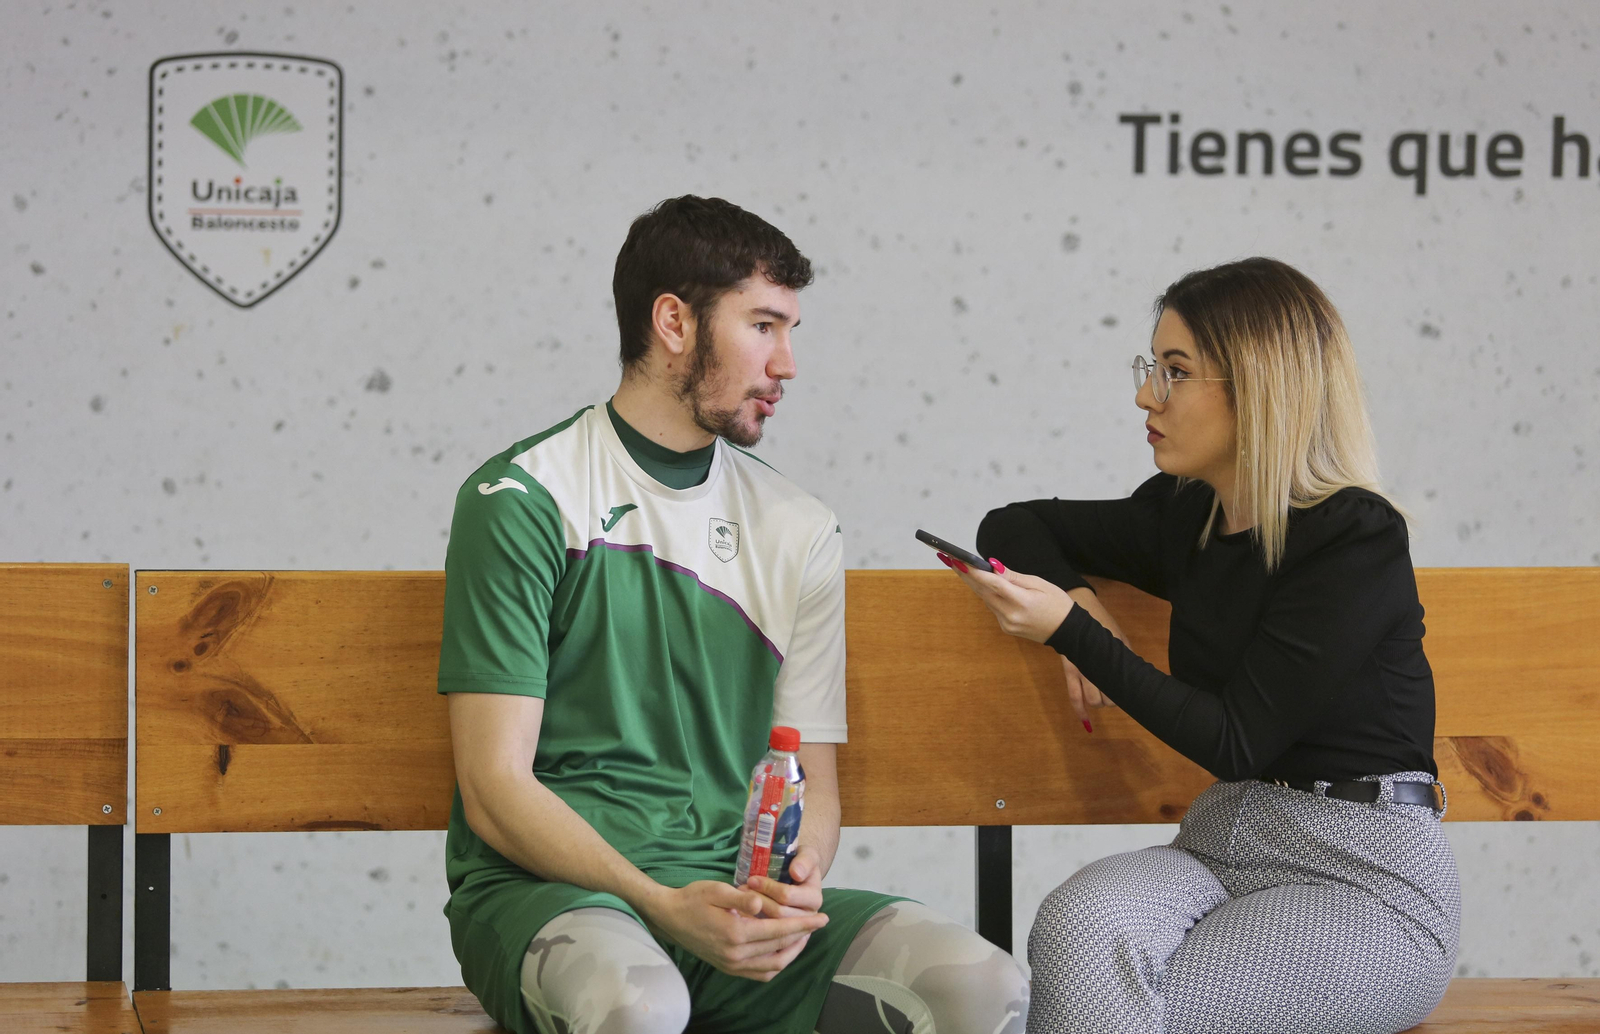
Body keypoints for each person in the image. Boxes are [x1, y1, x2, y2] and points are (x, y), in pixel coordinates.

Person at [438, 195, 1028, 1034]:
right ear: (674, 321)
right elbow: (494, 790)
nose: (786, 362)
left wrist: (796, 881)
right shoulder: (523, 499)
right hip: (550, 899)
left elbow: (811, 786)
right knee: (638, 1007)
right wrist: (662, 904)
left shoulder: (800, 528)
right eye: (763, 326)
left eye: (791, 330)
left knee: (978, 988)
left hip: (729, 902)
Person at [937, 257, 1459, 1034]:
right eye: (1152, 367)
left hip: (1367, 875)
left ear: (1258, 385)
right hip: (1221, 845)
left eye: (1175, 371)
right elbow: (1012, 524)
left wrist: (1072, 634)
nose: (1147, 394)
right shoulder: (1188, 516)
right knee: (1073, 925)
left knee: (1151, 1008)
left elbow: (1236, 739)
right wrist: (1081, 596)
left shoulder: (1354, 537)